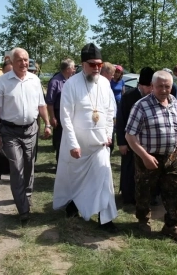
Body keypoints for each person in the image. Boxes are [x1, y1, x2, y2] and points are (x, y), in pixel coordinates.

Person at [53, 43, 118, 233]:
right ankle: (74, 204)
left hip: (99, 144)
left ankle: (105, 219)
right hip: (78, 145)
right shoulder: (71, 85)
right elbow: (65, 116)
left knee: (104, 180)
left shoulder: (105, 83)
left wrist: (107, 134)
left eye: (99, 64)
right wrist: (73, 144)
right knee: (76, 180)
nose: (97, 68)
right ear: (83, 64)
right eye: (92, 64)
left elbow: (109, 111)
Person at [0, 47, 52, 223]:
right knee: (16, 167)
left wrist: (47, 123)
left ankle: (27, 195)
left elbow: (41, 105)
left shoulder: (34, 80)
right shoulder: (1, 82)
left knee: (30, 164)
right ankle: (23, 209)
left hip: (31, 129)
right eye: (20, 60)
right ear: (12, 61)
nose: (24, 63)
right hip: (9, 132)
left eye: (26, 60)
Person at [125, 70, 177, 241]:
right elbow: (129, 136)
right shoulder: (141, 106)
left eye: (167, 86)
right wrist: (144, 156)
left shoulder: (174, 102)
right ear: (152, 87)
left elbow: (176, 127)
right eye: (160, 86)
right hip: (148, 156)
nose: (164, 90)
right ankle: (143, 220)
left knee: (175, 190)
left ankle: (171, 226)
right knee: (144, 191)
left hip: (171, 156)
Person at [116, 67, 154, 205]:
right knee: (129, 169)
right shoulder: (128, 97)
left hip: (146, 142)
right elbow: (120, 121)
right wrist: (121, 142)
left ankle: (145, 196)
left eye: (152, 86)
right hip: (129, 140)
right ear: (140, 85)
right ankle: (128, 196)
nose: (150, 90)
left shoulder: (153, 98)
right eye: (148, 86)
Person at [45, 58, 75, 163]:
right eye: (73, 67)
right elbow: (49, 102)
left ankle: (68, 162)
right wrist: (52, 117)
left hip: (70, 114)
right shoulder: (55, 82)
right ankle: (59, 163)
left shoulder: (70, 80)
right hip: (59, 114)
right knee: (60, 140)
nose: (75, 70)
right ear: (68, 69)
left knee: (69, 138)